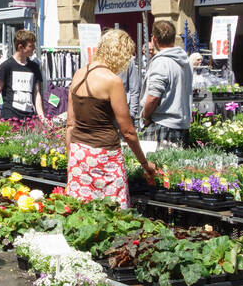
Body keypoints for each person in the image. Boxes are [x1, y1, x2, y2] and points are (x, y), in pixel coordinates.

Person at [65, 29, 158, 206]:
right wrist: (145, 164)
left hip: (78, 152)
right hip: (105, 156)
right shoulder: (112, 81)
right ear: (120, 54)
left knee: (80, 210)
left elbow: (70, 124)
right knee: (114, 214)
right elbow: (128, 131)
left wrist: (72, 159)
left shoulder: (78, 74)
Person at [139, 19, 193, 145]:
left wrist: (145, 117)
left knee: (156, 164)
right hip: (181, 124)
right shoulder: (185, 61)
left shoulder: (161, 62)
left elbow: (153, 97)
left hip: (162, 124)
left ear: (154, 39)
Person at [0, 29, 46, 123]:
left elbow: (36, 94)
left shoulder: (35, 67)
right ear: (21, 47)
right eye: (30, 46)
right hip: (10, 117)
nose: (34, 48)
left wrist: (42, 117)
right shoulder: (6, 66)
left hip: (29, 117)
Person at [118, 32, 143, 122]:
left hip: (123, 111)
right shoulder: (102, 62)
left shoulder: (128, 62)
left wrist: (132, 113)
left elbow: (135, 89)